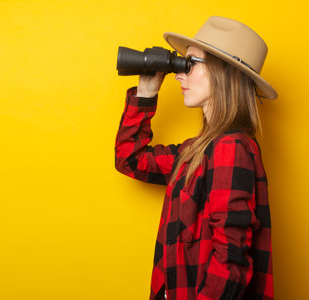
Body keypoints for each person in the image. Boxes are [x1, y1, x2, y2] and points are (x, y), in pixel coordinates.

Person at [115, 16, 275, 300]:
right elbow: (131, 159)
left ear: (224, 72)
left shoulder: (231, 148)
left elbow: (231, 261)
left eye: (189, 65)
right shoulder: (197, 150)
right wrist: (146, 92)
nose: (178, 74)